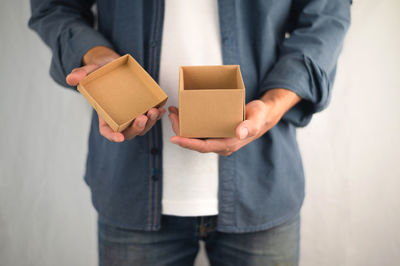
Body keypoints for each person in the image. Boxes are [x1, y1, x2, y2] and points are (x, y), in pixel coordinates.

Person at [29, 0, 351, 265]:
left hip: (261, 184)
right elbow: (55, 6)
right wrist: (99, 57)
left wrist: (272, 105)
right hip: (130, 188)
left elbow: (327, 14)